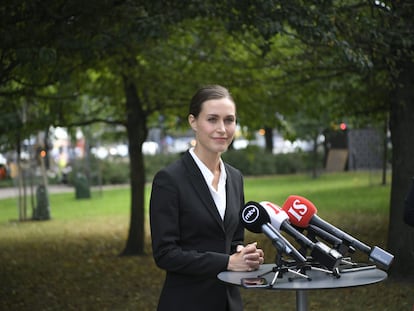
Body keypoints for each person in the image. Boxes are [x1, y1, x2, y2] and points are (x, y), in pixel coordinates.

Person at [150, 85, 265, 311]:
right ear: (193, 122)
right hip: (186, 303)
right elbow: (165, 254)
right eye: (212, 119)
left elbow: (233, 240)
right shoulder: (169, 180)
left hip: (229, 303)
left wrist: (244, 254)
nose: (222, 128)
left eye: (229, 120)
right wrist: (227, 262)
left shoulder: (235, 177)